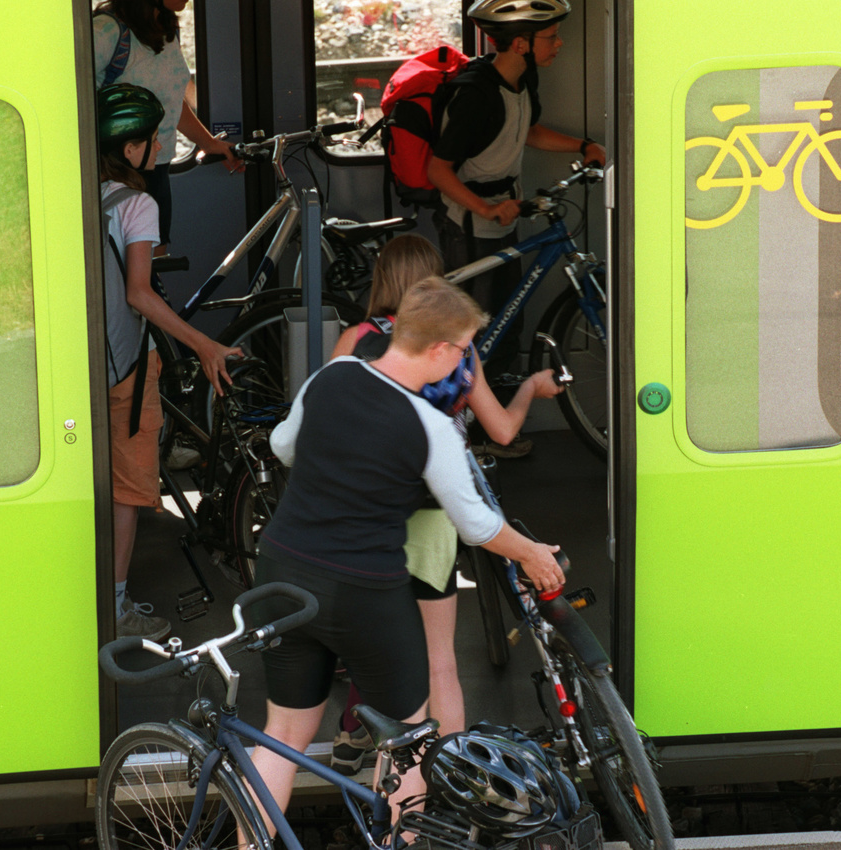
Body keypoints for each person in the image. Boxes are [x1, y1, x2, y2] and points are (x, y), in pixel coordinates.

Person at [249, 277, 567, 829]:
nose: (465, 361)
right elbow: (476, 525)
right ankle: (400, 841)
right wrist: (533, 553)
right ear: (440, 350)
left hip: (281, 573)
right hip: (362, 591)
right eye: (465, 348)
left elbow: (282, 447)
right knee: (409, 741)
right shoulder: (431, 426)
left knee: (282, 736)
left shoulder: (335, 374)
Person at [325, 235, 564, 773]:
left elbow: (326, 425)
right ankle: (454, 782)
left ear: (381, 279)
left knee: (375, 644)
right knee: (440, 664)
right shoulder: (457, 346)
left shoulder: (356, 339)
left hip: (366, 520)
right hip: (434, 516)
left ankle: (358, 735)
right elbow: (501, 430)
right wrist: (529, 387)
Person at [97, 83, 240, 639]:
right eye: (153, 138)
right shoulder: (137, 204)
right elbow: (139, 292)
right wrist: (204, 344)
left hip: (79, 368)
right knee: (130, 488)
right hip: (127, 367)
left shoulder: (76, 195)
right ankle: (114, 608)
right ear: (131, 149)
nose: (157, 147)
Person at [427, 0, 606, 388]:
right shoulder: (476, 95)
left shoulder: (522, 79)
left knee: (505, 317)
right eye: (551, 37)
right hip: (469, 221)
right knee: (474, 326)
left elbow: (526, 129)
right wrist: (487, 209)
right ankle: (468, 428)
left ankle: (496, 414)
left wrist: (584, 145)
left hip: (502, 211)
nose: (559, 44)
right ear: (521, 44)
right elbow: (437, 170)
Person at [92, 0, 241, 254]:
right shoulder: (106, 33)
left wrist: (208, 143)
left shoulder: (165, 29)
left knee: (155, 267)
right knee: (126, 274)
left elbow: (170, 99)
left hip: (156, 167)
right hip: (115, 173)